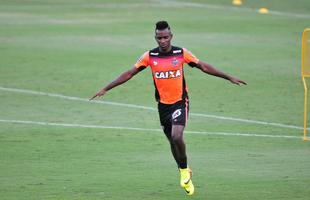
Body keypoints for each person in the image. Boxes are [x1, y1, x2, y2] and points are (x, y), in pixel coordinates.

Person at [90, 21, 246, 196]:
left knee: (177, 135)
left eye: (165, 37)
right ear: (155, 38)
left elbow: (203, 66)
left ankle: (185, 168)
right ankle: (182, 172)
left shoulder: (181, 53)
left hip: (180, 101)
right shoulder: (150, 56)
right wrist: (106, 88)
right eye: (159, 38)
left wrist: (228, 77)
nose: (162, 41)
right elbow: (129, 73)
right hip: (163, 105)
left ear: (171, 37)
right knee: (172, 142)